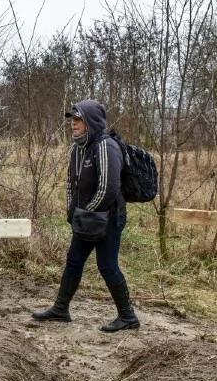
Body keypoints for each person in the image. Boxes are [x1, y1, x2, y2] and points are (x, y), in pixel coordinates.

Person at [32, 99, 140, 332]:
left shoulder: (106, 146)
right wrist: (73, 213)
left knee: (107, 266)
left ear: (91, 121)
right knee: (74, 261)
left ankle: (128, 317)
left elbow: (109, 188)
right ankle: (61, 309)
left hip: (109, 218)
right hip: (86, 218)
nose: (73, 124)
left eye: (78, 119)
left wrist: (87, 211)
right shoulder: (76, 148)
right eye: (72, 119)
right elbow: (71, 184)